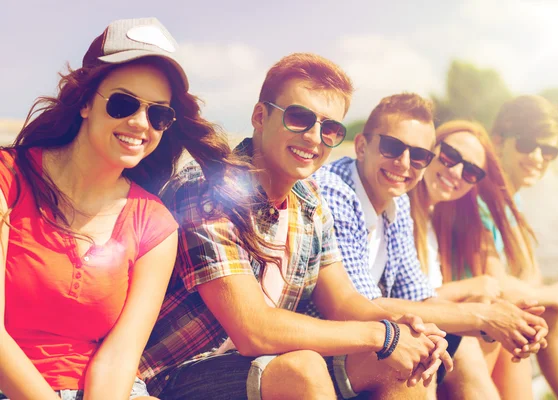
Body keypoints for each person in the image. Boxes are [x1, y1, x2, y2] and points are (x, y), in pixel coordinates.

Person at [141, 53, 452, 400]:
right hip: (176, 375)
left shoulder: (309, 200)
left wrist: (402, 328)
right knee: (303, 368)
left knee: (405, 362)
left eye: (330, 128)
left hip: (257, 365)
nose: (314, 137)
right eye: (299, 118)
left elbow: (343, 301)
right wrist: (381, 336)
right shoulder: (210, 191)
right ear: (261, 116)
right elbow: (253, 329)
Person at [0, 17, 231, 400]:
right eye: (124, 103)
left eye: (159, 114)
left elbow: (120, 357)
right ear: (86, 102)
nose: (140, 124)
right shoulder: (8, 179)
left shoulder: (155, 224)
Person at [313, 95, 548, 400]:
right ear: (361, 146)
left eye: (419, 156)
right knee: (415, 354)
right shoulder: (336, 191)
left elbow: (418, 296)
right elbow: (359, 306)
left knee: (454, 346)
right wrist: (482, 316)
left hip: (361, 338)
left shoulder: (397, 202)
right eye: (392, 147)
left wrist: (507, 321)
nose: (404, 163)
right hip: (317, 343)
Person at [486, 96, 558, 400]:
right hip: (463, 316)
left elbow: (528, 270)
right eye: (526, 145)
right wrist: (552, 294)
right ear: (498, 142)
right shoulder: (482, 194)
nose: (537, 157)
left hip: (489, 314)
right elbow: (492, 281)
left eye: (548, 150)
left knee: (549, 317)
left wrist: (541, 296)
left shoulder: (511, 198)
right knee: (540, 318)